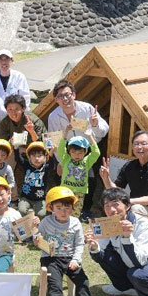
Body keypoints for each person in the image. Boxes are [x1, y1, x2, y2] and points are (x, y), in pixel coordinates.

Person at [35, 186, 96, 296]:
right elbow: (37, 238)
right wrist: (36, 238)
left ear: (72, 207)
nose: (63, 211)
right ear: (51, 208)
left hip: (69, 258)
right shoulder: (46, 222)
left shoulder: (75, 223)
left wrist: (76, 260)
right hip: (51, 257)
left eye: (67, 206)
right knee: (55, 285)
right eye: (59, 207)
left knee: (82, 281)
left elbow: (80, 244)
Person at [46, 79, 109, 218]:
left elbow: (103, 132)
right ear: (56, 100)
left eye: (67, 94)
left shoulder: (87, 109)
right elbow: (54, 141)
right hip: (68, 150)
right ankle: (68, 206)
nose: (65, 99)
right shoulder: (54, 116)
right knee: (66, 177)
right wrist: (61, 162)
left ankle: (89, 208)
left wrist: (95, 124)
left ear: (74, 94)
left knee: (93, 177)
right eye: (60, 96)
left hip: (90, 147)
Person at [99, 130, 148, 227]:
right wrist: (106, 178)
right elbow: (115, 192)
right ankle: (115, 233)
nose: (139, 147)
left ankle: (133, 234)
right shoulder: (129, 166)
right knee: (113, 204)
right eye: (136, 144)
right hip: (134, 206)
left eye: (143, 143)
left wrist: (127, 202)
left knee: (134, 209)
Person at [0, 49, 31, 160]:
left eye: (7, 59)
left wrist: (23, 116)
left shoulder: (18, 76)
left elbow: (25, 98)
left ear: (11, 61)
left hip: (14, 121)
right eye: (1, 60)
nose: (4, 63)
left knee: (15, 148)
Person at [57, 128, 100, 217]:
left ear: (85, 152)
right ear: (69, 152)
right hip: (66, 190)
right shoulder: (66, 159)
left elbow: (96, 153)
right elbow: (60, 149)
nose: (77, 155)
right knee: (63, 210)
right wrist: (65, 133)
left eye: (80, 152)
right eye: (73, 152)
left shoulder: (86, 161)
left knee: (75, 213)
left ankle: (73, 227)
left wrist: (90, 136)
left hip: (80, 192)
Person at [17, 141, 56, 218]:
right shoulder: (27, 165)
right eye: (33, 156)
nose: (37, 158)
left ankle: (39, 227)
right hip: (26, 197)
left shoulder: (46, 168)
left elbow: (51, 164)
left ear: (45, 157)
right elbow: (18, 159)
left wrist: (51, 153)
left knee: (42, 214)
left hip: (40, 199)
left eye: (40, 156)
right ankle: (26, 225)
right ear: (29, 157)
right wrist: (16, 148)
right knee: (21, 210)